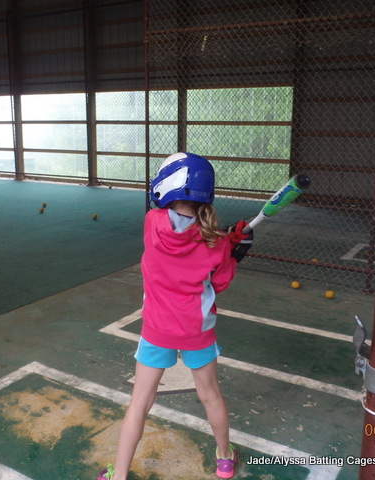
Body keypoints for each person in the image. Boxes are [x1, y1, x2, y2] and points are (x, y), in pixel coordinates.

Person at [97, 152, 253, 480]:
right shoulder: (217, 243)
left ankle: (120, 475)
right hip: (197, 331)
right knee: (210, 394)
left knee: (140, 401)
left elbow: (181, 234)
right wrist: (234, 251)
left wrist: (226, 243)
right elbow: (219, 280)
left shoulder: (152, 223)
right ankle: (224, 460)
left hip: (157, 329)